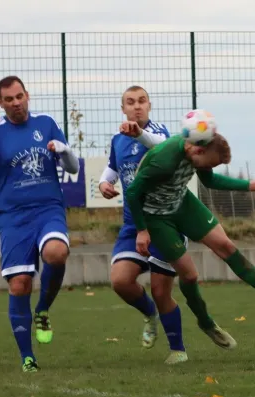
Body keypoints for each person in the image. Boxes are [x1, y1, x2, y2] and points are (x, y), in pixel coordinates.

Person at [126, 133, 255, 350]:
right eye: (210, 163)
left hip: (183, 205)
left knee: (228, 247)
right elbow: (133, 191)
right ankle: (206, 323)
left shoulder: (198, 149)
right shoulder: (164, 162)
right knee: (190, 275)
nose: (208, 168)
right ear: (198, 151)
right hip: (156, 218)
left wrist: (251, 185)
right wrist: (142, 231)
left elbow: (209, 180)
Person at [0, 75, 80, 372]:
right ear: (0, 103)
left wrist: (64, 150)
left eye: (19, 97)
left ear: (27, 95)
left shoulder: (46, 123)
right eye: (9, 99)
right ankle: (28, 358)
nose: (16, 103)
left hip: (48, 209)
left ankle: (42, 309)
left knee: (56, 252)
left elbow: (73, 167)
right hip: (13, 218)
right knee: (19, 284)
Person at [98, 85, 187, 364]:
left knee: (162, 291)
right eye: (130, 102)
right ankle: (150, 315)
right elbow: (113, 167)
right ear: (122, 109)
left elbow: (158, 146)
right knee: (120, 281)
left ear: (150, 105)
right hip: (133, 224)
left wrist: (140, 134)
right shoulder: (118, 139)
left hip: (164, 223)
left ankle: (178, 350)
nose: (137, 106)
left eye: (141, 101)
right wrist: (104, 183)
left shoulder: (161, 133)